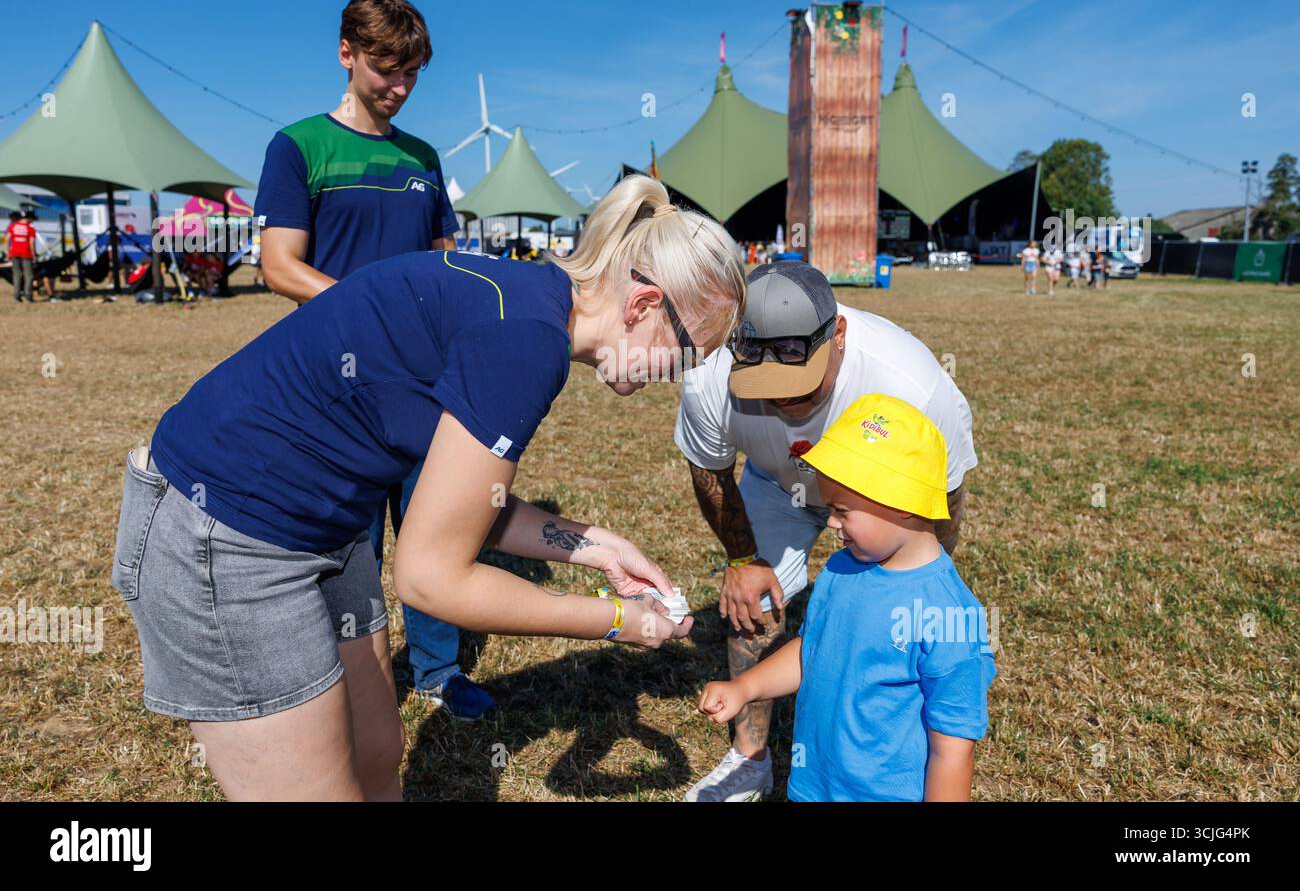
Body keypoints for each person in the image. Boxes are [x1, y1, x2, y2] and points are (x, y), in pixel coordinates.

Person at [111, 174, 746, 801]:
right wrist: (616, 622)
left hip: (325, 527)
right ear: (642, 306)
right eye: (689, 354)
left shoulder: (530, 302)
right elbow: (431, 578)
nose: (680, 377)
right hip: (228, 533)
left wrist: (599, 547)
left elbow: (465, 508)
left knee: (377, 750)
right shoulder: (525, 341)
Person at [254, 0, 492, 719]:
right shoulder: (299, 146)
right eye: (386, 70)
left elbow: (445, 259)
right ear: (346, 53)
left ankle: (438, 671)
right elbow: (279, 265)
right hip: (339, 387)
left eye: (411, 75)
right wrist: (374, 314)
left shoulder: (423, 158)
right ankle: (349, 677)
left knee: (434, 530)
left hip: (424, 385)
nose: (399, 88)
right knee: (350, 545)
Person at [675, 261, 977, 801]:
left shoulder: (912, 383)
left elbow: (943, 497)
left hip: (882, 504)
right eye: (763, 387)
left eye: (796, 381)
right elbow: (709, 467)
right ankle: (749, 757)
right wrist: (743, 561)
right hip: (774, 483)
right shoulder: (709, 374)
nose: (781, 402)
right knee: (754, 604)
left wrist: (917, 580)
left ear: (836, 334)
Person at [698, 394, 996, 800]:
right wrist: (745, 688)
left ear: (902, 503)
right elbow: (812, 651)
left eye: (842, 510)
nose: (831, 522)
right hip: (812, 788)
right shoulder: (841, 569)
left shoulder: (949, 615)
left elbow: (952, 751)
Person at [5, 210, 35, 303]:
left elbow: (7, 239)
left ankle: (16, 297)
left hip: (14, 253)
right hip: (26, 253)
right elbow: (31, 242)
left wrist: (7, 251)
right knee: (28, 275)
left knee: (16, 275)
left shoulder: (13, 226)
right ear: (29, 218)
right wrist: (34, 255)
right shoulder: (30, 228)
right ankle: (28, 296)